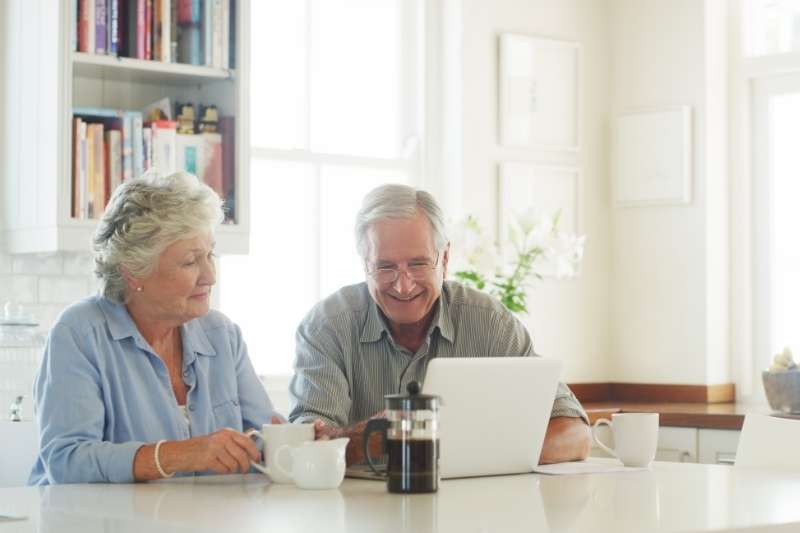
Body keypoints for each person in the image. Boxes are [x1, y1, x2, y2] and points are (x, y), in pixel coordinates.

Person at [289, 184, 591, 465]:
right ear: (365, 264)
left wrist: (452, 449)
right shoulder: (326, 328)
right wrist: (377, 435)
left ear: (445, 259)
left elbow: (574, 434)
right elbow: (308, 446)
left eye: (418, 264)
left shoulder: (490, 323)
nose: (403, 286)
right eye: (385, 267)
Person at [30, 172, 280, 485]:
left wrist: (300, 441)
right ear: (135, 273)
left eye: (209, 255)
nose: (210, 275)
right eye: (190, 261)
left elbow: (263, 436)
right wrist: (179, 454)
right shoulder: (80, 333)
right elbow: (67, 461)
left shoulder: (222, 334)